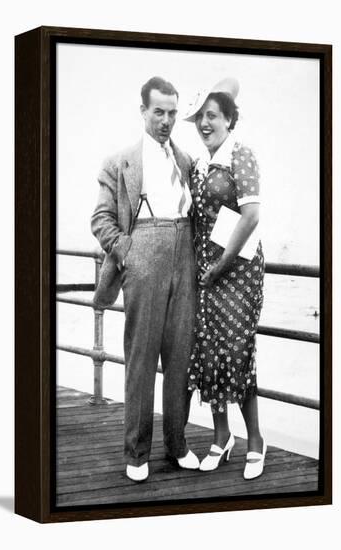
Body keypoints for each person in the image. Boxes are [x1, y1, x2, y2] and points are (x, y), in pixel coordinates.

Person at [91, 76, 199, 482]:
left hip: (184, 252)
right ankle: (136, 452)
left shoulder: (186, 161)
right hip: (144, 254)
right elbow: (100, 219)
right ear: (143, 112)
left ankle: (177, 444)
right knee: (141, 358)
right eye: (159, 112)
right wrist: (128, 251)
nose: (166, 120)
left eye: (172, 113)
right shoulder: (119, 162)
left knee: (180, 357)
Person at [184, 77, 266, 480]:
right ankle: (221, 437)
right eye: (200, 117)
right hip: (206, 271)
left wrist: (221, 266)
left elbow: (251, 216)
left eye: (212, 116)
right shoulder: (199, 163)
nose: (204, 123)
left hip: (239, 272)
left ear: (229, 119)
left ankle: (256, 441)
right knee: (209, 350)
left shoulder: (241, 154)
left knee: (237, 351)